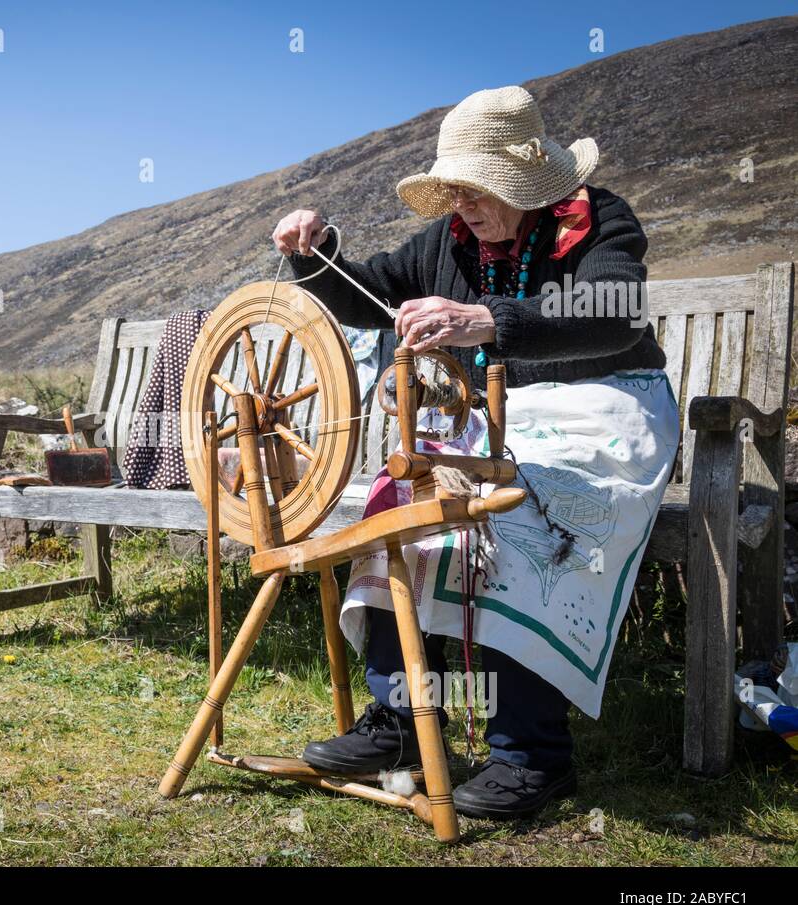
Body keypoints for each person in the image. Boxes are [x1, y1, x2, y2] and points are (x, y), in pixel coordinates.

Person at [270, 85, 679, 820]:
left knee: (507, 517)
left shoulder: (597, 221)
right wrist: (316, 254)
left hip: (605, 413)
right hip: (505, 420)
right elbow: (372, 299)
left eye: (477, 190)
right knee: (404, 506)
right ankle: (402, 722)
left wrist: (487, 318)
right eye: (454, 190)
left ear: (526, 184)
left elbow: (615, 312)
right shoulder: (448, 241)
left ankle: (532, 757)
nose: (463, 205)